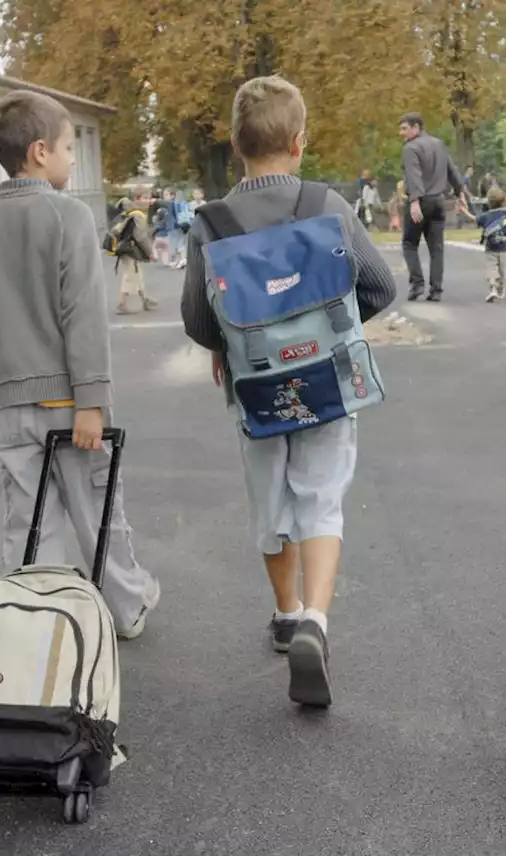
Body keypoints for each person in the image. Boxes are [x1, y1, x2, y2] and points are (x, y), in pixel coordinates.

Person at [180, 75, 395, 707]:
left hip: (256, 388)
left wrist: (228, 344)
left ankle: (285, 611)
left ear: (234, 143)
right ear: (299, 141)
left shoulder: (210, 224)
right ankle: (317, 624)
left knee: (272, 502)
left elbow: (197, 319)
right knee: (321, 500)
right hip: (327, 380)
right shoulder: (328, 204)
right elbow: (379, 286)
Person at [0, 89, 160, 639]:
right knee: (96, 508)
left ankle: (38, 618)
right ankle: (126, 608)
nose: (73, 158)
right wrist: (93, 400)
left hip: (7, 396)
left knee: (28, 518)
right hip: (66, 399)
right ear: (38, 152)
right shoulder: (69, 215)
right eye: (69, 148)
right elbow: (83, 315)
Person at [398, 112, 467, 302]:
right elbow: (451, 170)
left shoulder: (410, 148)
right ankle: (436, 290)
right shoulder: (439, 144)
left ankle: (417, 284)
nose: (401, 133)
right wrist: (460, 191)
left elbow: (414, 175)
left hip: (420, 201)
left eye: (404, 128)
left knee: (409, 244)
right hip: (438, 201)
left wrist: (414, 201)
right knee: (436, 248)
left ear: (416, 127)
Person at [106, 197, 157, 315]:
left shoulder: (123, 216)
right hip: (131, 250)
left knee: (136, 274)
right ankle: (122, 303)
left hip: (124, 249)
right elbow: (140, 236)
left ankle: (145, 299)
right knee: (130, 276)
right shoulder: (137, 216)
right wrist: (150, 252)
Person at [475, 186, 506, 303]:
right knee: (500, 270)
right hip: (503, 248)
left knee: (491, 269)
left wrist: (464, 209)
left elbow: (475, 219)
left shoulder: (486, 215)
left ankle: (495, 287)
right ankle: (495, 288)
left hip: (490, 247)